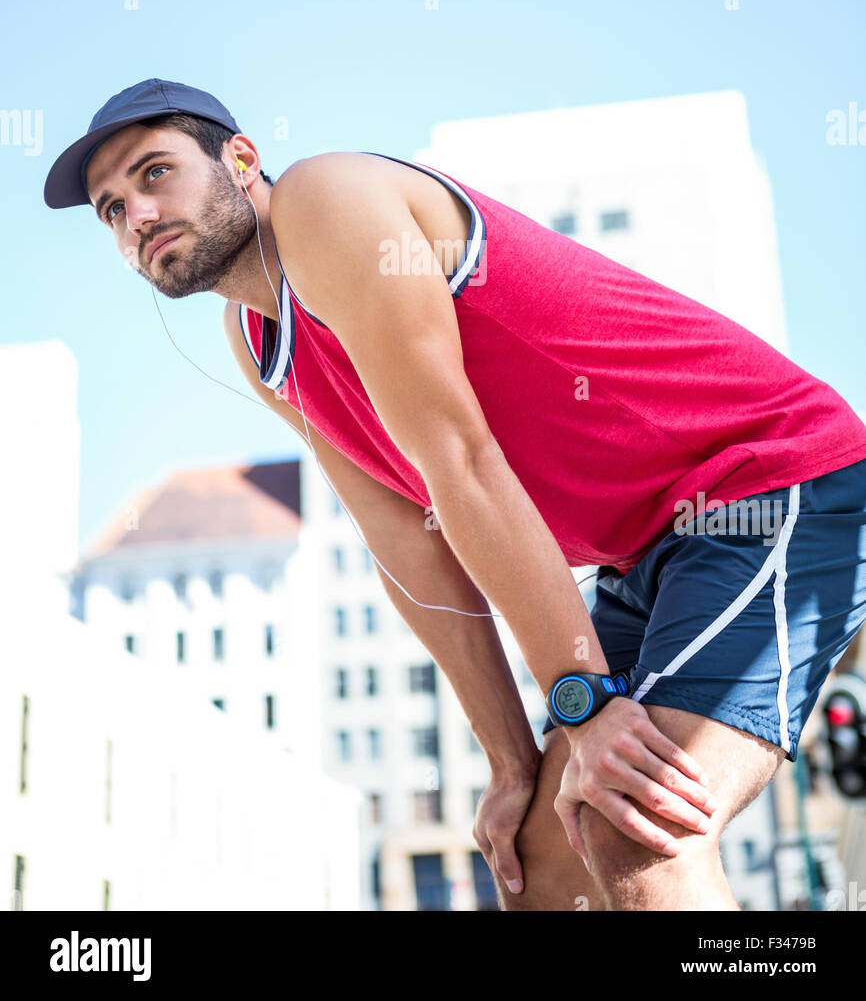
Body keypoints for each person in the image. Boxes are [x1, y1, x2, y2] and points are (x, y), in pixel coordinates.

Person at [45, 78, 866, 912]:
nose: (135, 216)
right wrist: (510, 762)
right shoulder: (257, 340)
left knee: (635, 824)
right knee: (543, 874)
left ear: (243, 158)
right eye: (111, 209)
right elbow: (407, 542)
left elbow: (462, 464)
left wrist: (581, 703)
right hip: (642, 555)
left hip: (769, 480)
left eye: (154, 175)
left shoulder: (326, 202)